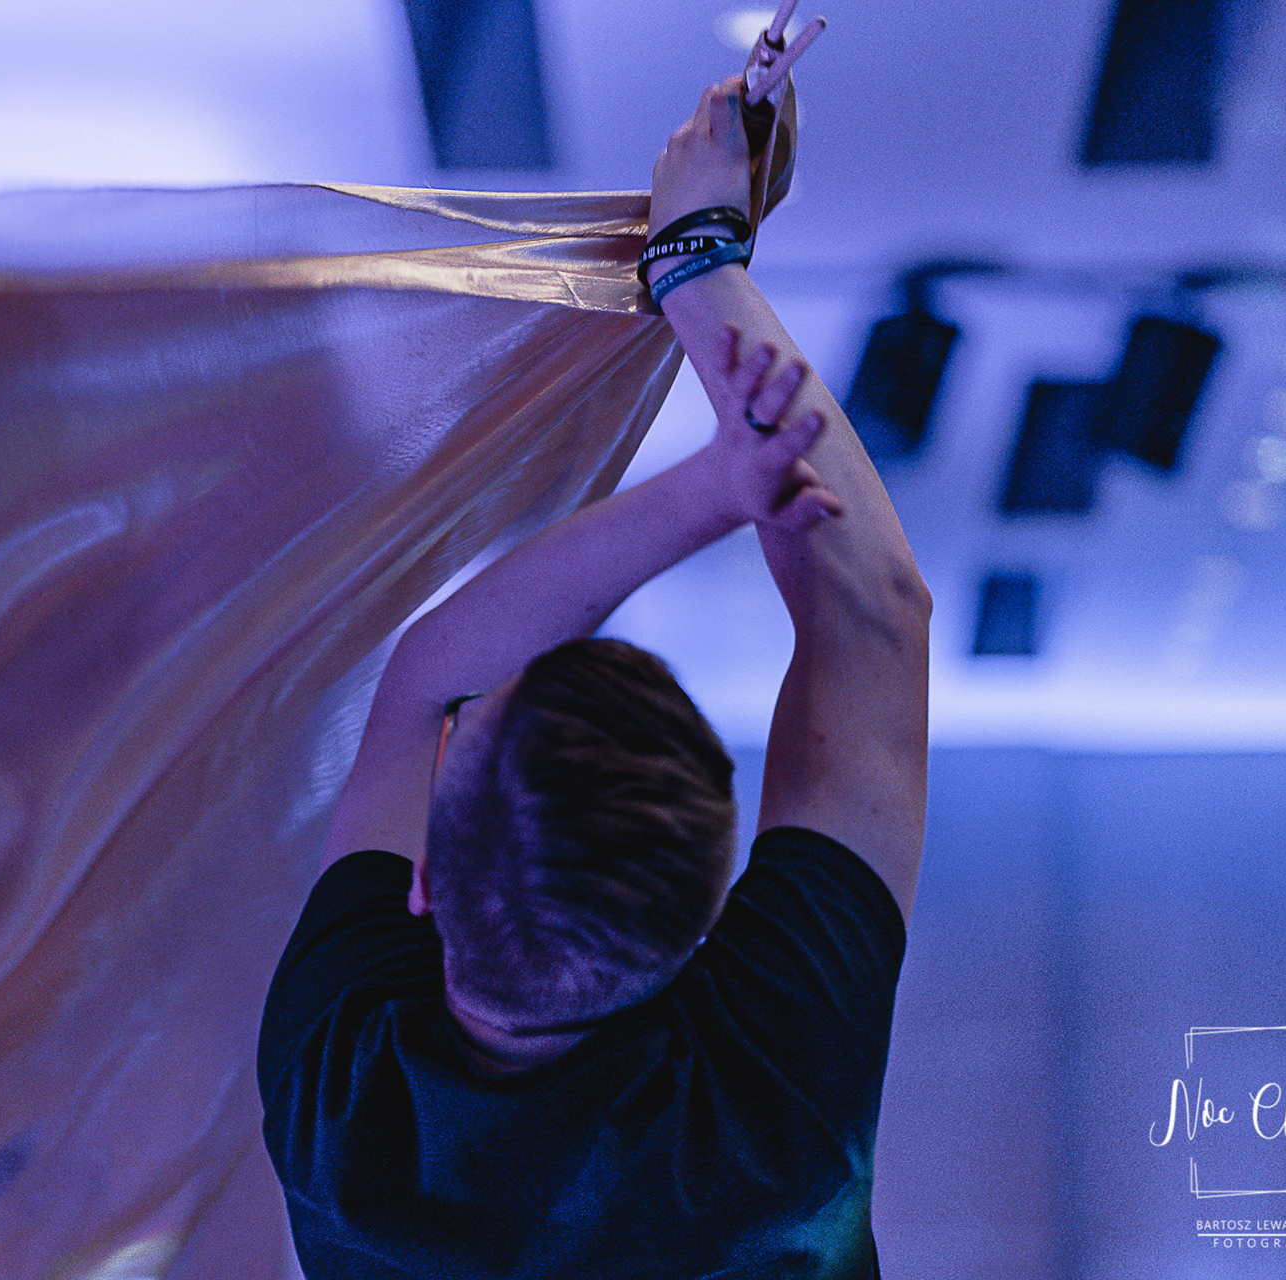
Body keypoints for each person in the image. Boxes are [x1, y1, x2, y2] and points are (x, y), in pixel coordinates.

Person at [258, 72, 931, 1280]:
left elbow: (877, 619)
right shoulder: (332, 1101)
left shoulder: (348, 1091)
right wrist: (699, 277)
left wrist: (698, 271)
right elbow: (431, 690)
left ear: (423, 884)